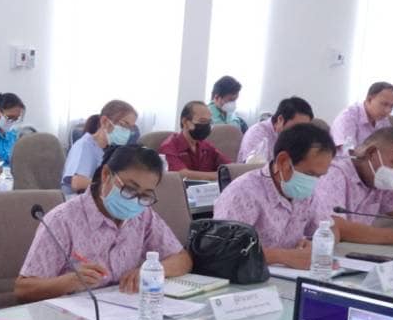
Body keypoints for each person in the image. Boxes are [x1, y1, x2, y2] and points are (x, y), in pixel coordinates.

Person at [15, 145, 192, 303]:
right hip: (74, 316)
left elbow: (182, 259)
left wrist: (153, 270)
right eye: (130, 189)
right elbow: (23, 289)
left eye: (145, 195)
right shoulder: (62, 220)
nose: (135, 200)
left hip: (125, 311)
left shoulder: (143, 215)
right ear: (106, 174)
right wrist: (69, 282)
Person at [212, 122, 340, 269]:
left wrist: (315, 245)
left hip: (290, 275)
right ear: (283, 161)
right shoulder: (243, 192)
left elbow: (331, 229)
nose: (313, 182)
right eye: (310, 174)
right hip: (248, 277)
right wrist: (284, 256)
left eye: (319, 176)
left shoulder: (307, 194)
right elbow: (221, 250)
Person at [311, 127, 393, 249]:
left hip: (354, 251)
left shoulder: (378, 178)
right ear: (371, 153)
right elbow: (333, 226)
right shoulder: (334, 173)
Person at [62, 99, 138, 195]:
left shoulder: (106, 150)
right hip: (76, 200)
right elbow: (76, 182)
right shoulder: (85, 145)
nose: (127, 132)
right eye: (124, 125)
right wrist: (112, 186)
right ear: (104, 121)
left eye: (130, 128)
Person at [160, 101, 232, 181]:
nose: (207, 126)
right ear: (185, 122)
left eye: (209, 122)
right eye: (202, 121)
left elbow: (230, 168)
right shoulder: (169, 146)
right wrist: (219, 175)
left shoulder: (206, 145)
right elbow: (181, 174)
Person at [238, 97, 315, 164]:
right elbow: (254, 169)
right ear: (280, 119)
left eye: (304, 128)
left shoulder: (298, 137)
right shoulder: (257, 133)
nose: (300, 132)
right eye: (297, 127)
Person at [330, 82, 393, 151]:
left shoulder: (383, 120)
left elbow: (387, 147)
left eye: (392, 106)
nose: (387, 111)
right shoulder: (347, 118)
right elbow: (348, 153)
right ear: (369, 99)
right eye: (384, 104)